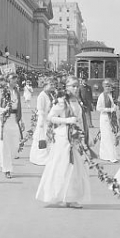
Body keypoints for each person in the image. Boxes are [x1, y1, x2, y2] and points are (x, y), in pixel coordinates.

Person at [36, 76, 91, 208]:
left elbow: (79, 119)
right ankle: (59, 195)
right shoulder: (61, 101)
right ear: (66, 87)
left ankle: (70, 197)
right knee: (62, 165)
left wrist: (82, 133)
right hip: (63, 137)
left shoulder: (77, 101)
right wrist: (67, 121)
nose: (76, 88)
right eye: (72, 85)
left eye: (77, 85)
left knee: (74, 167)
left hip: (74, 136)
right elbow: (51, 117)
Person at [0, 73, 23, 178]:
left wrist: (21, 120)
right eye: (13, 79)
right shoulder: (2, 91)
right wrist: (2, 109)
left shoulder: (16, 92)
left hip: (14, 119)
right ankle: (7, 169)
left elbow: (18, 107)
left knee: (15, 144)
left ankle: (3, 161)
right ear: (8, 81)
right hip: (4, 120)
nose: (15, 81)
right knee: (4, 145)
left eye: (16, 79)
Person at [29, 76, 55, 165]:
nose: (52, 86)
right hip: (44, 121)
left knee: (50, 138)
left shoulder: (50, 95)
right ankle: (40, 158)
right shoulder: (42, 96)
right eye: (50, 84)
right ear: (45, 85)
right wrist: (40, 122)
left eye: (53, 84)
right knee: (43, 138)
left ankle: (50, 156)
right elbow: (40, 110)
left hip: (51, 120)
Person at [96, 79, 119, 163]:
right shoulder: (102, 96)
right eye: (106, 86)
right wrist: (109, 109)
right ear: (103, 87)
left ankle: (105, 155)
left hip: (111, 117)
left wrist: (115, 107)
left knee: (110, 136)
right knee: (107, 136)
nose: (108, 88)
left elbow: (113, 105)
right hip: (105, 118)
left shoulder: (110, 95)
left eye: (109, 86)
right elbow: (98, 108)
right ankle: (110, 156)